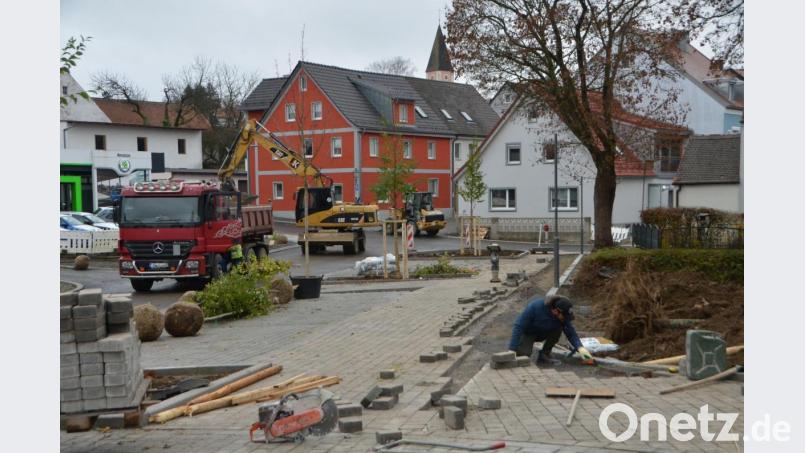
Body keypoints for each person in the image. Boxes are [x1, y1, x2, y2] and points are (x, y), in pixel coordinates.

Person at [508, 295, 593, 365]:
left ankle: (544, 355)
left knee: (558, 329)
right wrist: (512, 349)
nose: (566, 319)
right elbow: (518, 327)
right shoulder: (535, 307)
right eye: (564, 316)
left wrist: (581, 348)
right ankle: (520, 352)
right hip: (529, 333)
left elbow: (571, 333)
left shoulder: (562, 317)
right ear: (555, 311)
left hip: (545, 332)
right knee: (524, 356)